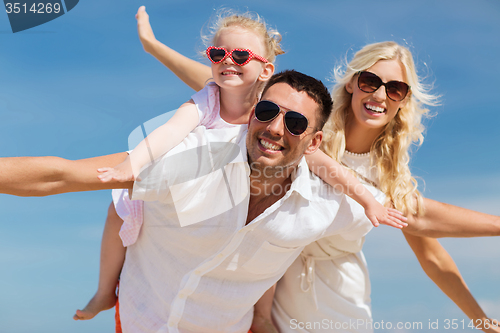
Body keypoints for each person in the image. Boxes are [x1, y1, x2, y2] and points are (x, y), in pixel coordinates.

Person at [131, 11, 500, 331]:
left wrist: (481, 320)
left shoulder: (390, 177)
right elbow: (235, 88)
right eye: (370, 81)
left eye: (396, 88)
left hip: (339, 296)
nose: (380, 95)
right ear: (353, 84)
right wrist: (152, 46)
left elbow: (428, 246)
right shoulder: (305, 130)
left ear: (404, 101)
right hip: (271, 287)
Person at [0, 70, 408, 333]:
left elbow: (417, 217)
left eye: (296, 122)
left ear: (314, 141)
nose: (275, 128)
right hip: (142, 320)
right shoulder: (190, 159)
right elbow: (62, 174)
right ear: (252, 114)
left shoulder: (328, 203)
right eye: (267, 111)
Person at [74, 7, 405, 322]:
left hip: (250, 208)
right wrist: (132, 166)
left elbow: (324, 165)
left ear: (265, 70)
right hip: (200, 192)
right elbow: (170, 131)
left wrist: (367, 200)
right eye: (218, 55)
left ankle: (260, 318)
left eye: (241, 56)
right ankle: (105, 291)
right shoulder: (208, 99)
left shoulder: (270, 111)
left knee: (267, 250)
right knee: (119, 207)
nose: (228, 62)